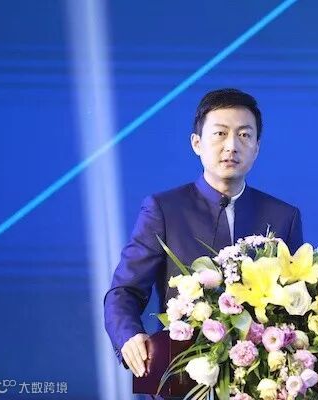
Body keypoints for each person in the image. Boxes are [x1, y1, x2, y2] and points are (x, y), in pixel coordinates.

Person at [103, 88, 303, 379]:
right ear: (197, 143)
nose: (231, 145)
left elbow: (297, 301)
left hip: (262, 382)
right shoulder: (164, 209)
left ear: (257, 147)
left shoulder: (283, 217)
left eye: (244, 135)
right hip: (181, 377)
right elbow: (124, 292)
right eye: (220, 133)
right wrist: (129, 336)